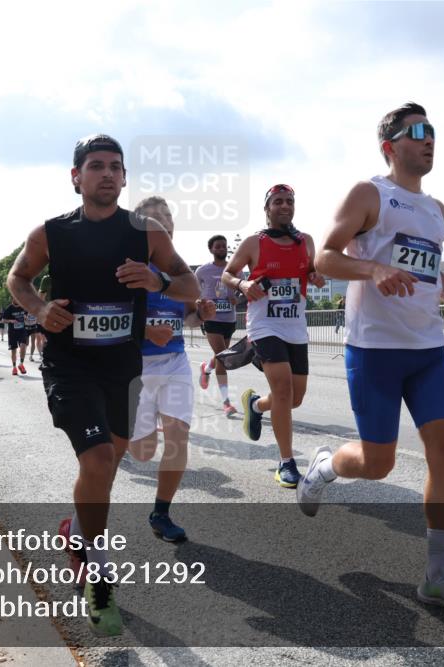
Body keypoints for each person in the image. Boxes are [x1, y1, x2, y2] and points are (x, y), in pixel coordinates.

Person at [300, 102, 444, 619]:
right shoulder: (370, 193)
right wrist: (371, 270)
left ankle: (437, 576)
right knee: (378, 463)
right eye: (417, 132)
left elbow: (430, 273)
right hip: (375, 351)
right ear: (390, 145)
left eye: (433, 130)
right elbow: (324, 256)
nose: (429, 139)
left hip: (427, 352)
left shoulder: (436, 208)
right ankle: (325, 465)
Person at [6, 134, 198, 636]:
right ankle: (98, 572)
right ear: (77, 177)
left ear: (125, 177)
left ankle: (76, 529)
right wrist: (39, 309)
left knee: (108, 464)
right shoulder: (50, 233)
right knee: (95, 460)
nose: (107, 174)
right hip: (70, 365)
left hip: (122, 367)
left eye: (115, 166)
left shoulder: (147, 233)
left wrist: (157, 282)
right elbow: (18, 279)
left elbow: (190, 285)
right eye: (96, 166)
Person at [222, 184, 326, 488]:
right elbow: (228, 273)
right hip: (264, 326)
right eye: (278, 201)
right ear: (267, 208)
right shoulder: (255, 242)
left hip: (295, 326)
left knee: (294, 398)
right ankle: (286, 462)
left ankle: (254, 405)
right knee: (282, 390)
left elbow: (311, 273)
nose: (285, 206)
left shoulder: (306, 241)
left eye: (289, 201)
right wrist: (242, 285)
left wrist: (315, 277)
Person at [128, 196, 215, 543]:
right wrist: (147, 331)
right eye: (154, 220)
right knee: (142, 452)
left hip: (176, 363)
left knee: (178, 440)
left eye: (167, 219)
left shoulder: (181, 273)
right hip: (136, 367)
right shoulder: (129, 269)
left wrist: (200, 315)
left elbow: (187, 318)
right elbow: (112, 319)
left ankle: (161, 513)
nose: (163, 224)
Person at [195, 235, 239, 416]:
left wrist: (236, 299)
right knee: (223, 358)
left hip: (229, 319)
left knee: (221, 355)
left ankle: (206, 369)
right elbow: (194, 293)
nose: (221, 249)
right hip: (211, 319)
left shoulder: (235, 269)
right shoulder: (202, 271)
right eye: (218, 246)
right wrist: (199, 303)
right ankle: (226, 403)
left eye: (224, 246)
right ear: (211, 249)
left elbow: (241, 294)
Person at [1, 298, 29, 375]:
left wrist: (25, 317)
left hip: (22, 330)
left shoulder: (23, 306)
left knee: (23, 346)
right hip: (12, 332)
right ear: (12, 299)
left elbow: (26, 313)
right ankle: (14, 367)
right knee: (14, 350)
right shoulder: (9, 308)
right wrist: (11, 321)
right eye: (15, 298)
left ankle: (21, 364)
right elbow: (3, 320)